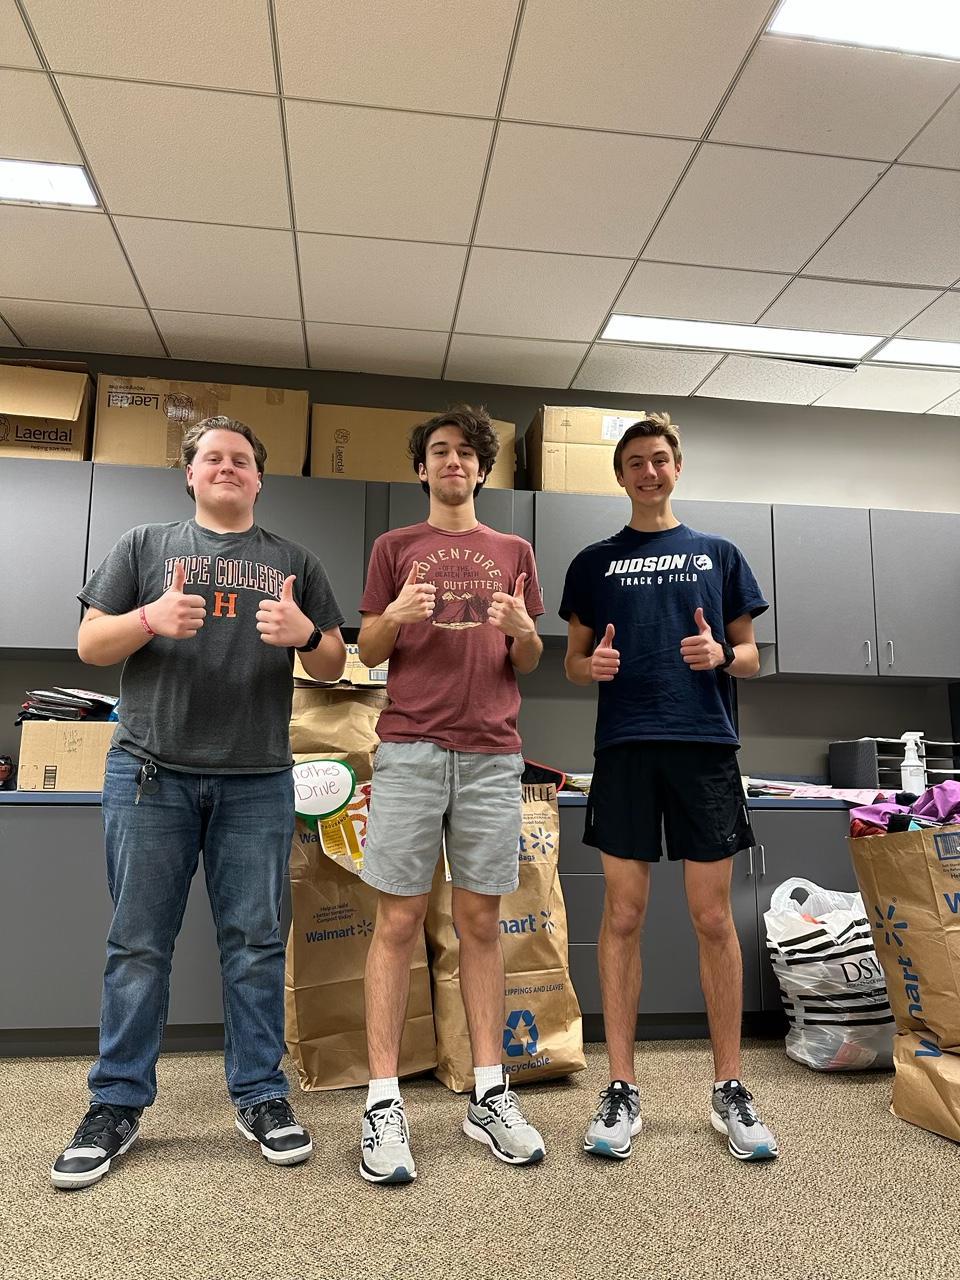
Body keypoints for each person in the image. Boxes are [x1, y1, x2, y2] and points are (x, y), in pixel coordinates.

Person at [51, 416, 346, 1190]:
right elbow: (89, 643)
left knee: (255, 946)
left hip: (257, 779)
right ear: (189, 474)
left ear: (259, 479)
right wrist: (149, 618)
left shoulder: (294, 561)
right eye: (212, 457)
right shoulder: (144, 546)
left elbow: (334, 661)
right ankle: (116, 1103)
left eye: (241, 459)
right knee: (138, 946)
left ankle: (262, 1095)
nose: (226, 467)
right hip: (150, 775)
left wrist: (305, 633)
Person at [561, 412, 778, 1164]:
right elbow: (572, 661)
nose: (648, 473)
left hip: (704, 749)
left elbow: (752, 655)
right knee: (623, 914)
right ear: (620, 476)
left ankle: (729, 1087)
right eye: (635, 463)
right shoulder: (593, 562)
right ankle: (621, 1086)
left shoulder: (720, 554)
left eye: (659, 460)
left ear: (676, 467)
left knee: (713, 917)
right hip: (624, 750)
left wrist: (722, 654)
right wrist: (590, 668)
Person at [356, 405, 545, 1184]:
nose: (453, 462)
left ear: (482, 468)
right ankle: (382, 1101)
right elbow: (368, 648)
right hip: (409, 751)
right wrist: (395, 616)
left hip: (492, 757)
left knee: (480, 924)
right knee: (397, 922)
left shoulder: (514, 550)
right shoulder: (393, 548)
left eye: (466, 452)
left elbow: (528, 658)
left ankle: (489, 1093)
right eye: (439, 451)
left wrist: (522, 628)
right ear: (422, 468)